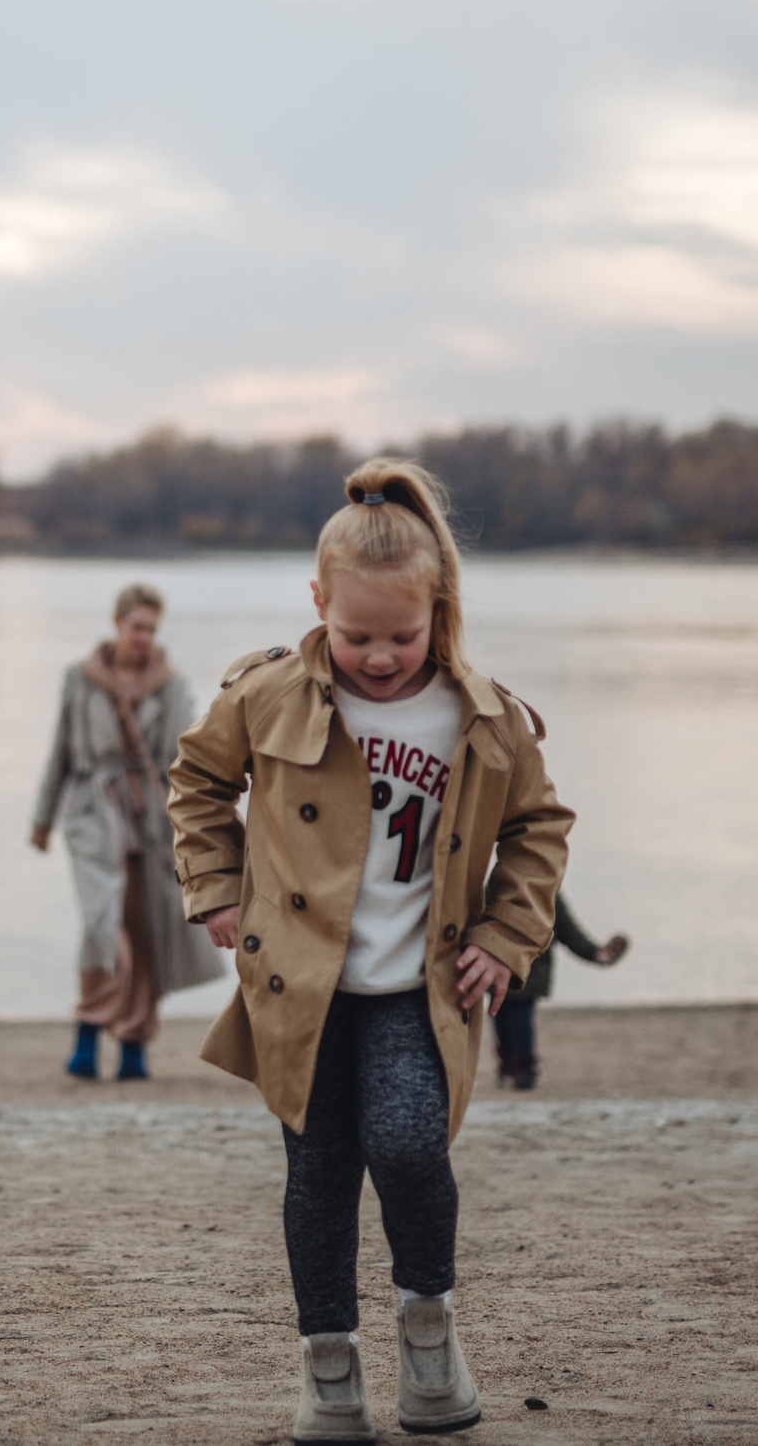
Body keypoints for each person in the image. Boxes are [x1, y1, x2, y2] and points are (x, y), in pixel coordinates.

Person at [167, 458, 573, 1443]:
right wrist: (216, 890)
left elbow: (539, 825)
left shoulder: (482, 717)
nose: (379, 657)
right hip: (299, 987)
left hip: (415, 988)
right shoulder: (267, 695)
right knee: (318, 1174)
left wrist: (507, 935)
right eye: (355, 636)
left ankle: (428, 1332)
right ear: (317, 603)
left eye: (402, 634)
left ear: (439, 610)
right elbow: (195, 782)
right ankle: (329, 1369)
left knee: (405, 1145)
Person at [31, 583, 224, 1082]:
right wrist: (43, 819)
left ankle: (134, 1043)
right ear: (117, 623)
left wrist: (200, 827)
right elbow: (61, 751)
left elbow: (186, 760)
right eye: (137, 626)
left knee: (145, 932)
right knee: (102, 923)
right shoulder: (80, 678)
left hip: (150, 823)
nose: (143, 637)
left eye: (151, 629)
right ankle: (90, 1027)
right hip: (93, 816)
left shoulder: (172, 685)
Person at [492, 898, 627, 1091]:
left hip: (524, 968)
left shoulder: (547, 891)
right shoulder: (542, 889)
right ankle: (513, 1068)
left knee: (515, 1013)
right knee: (503, 1014)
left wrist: (596, 953)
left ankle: (520, 1069)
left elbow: (569, 933)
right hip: (500, 964)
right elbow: (570, 933)